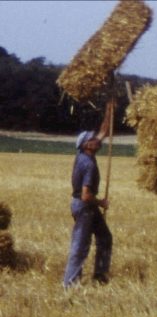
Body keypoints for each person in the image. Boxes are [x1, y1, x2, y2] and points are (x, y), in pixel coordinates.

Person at [63, 100, 114, 288]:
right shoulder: (89, 164)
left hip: (86, 206)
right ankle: (69, 283)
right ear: (86, 145)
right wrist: (101, 202)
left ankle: (100, 277)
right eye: (93, 140)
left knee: (105, 238)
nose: (97, 140)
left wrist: (109, 109)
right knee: (81, 245)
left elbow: (104, 132)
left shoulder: (84, 154)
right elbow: (86, 195)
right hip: (85, 206)